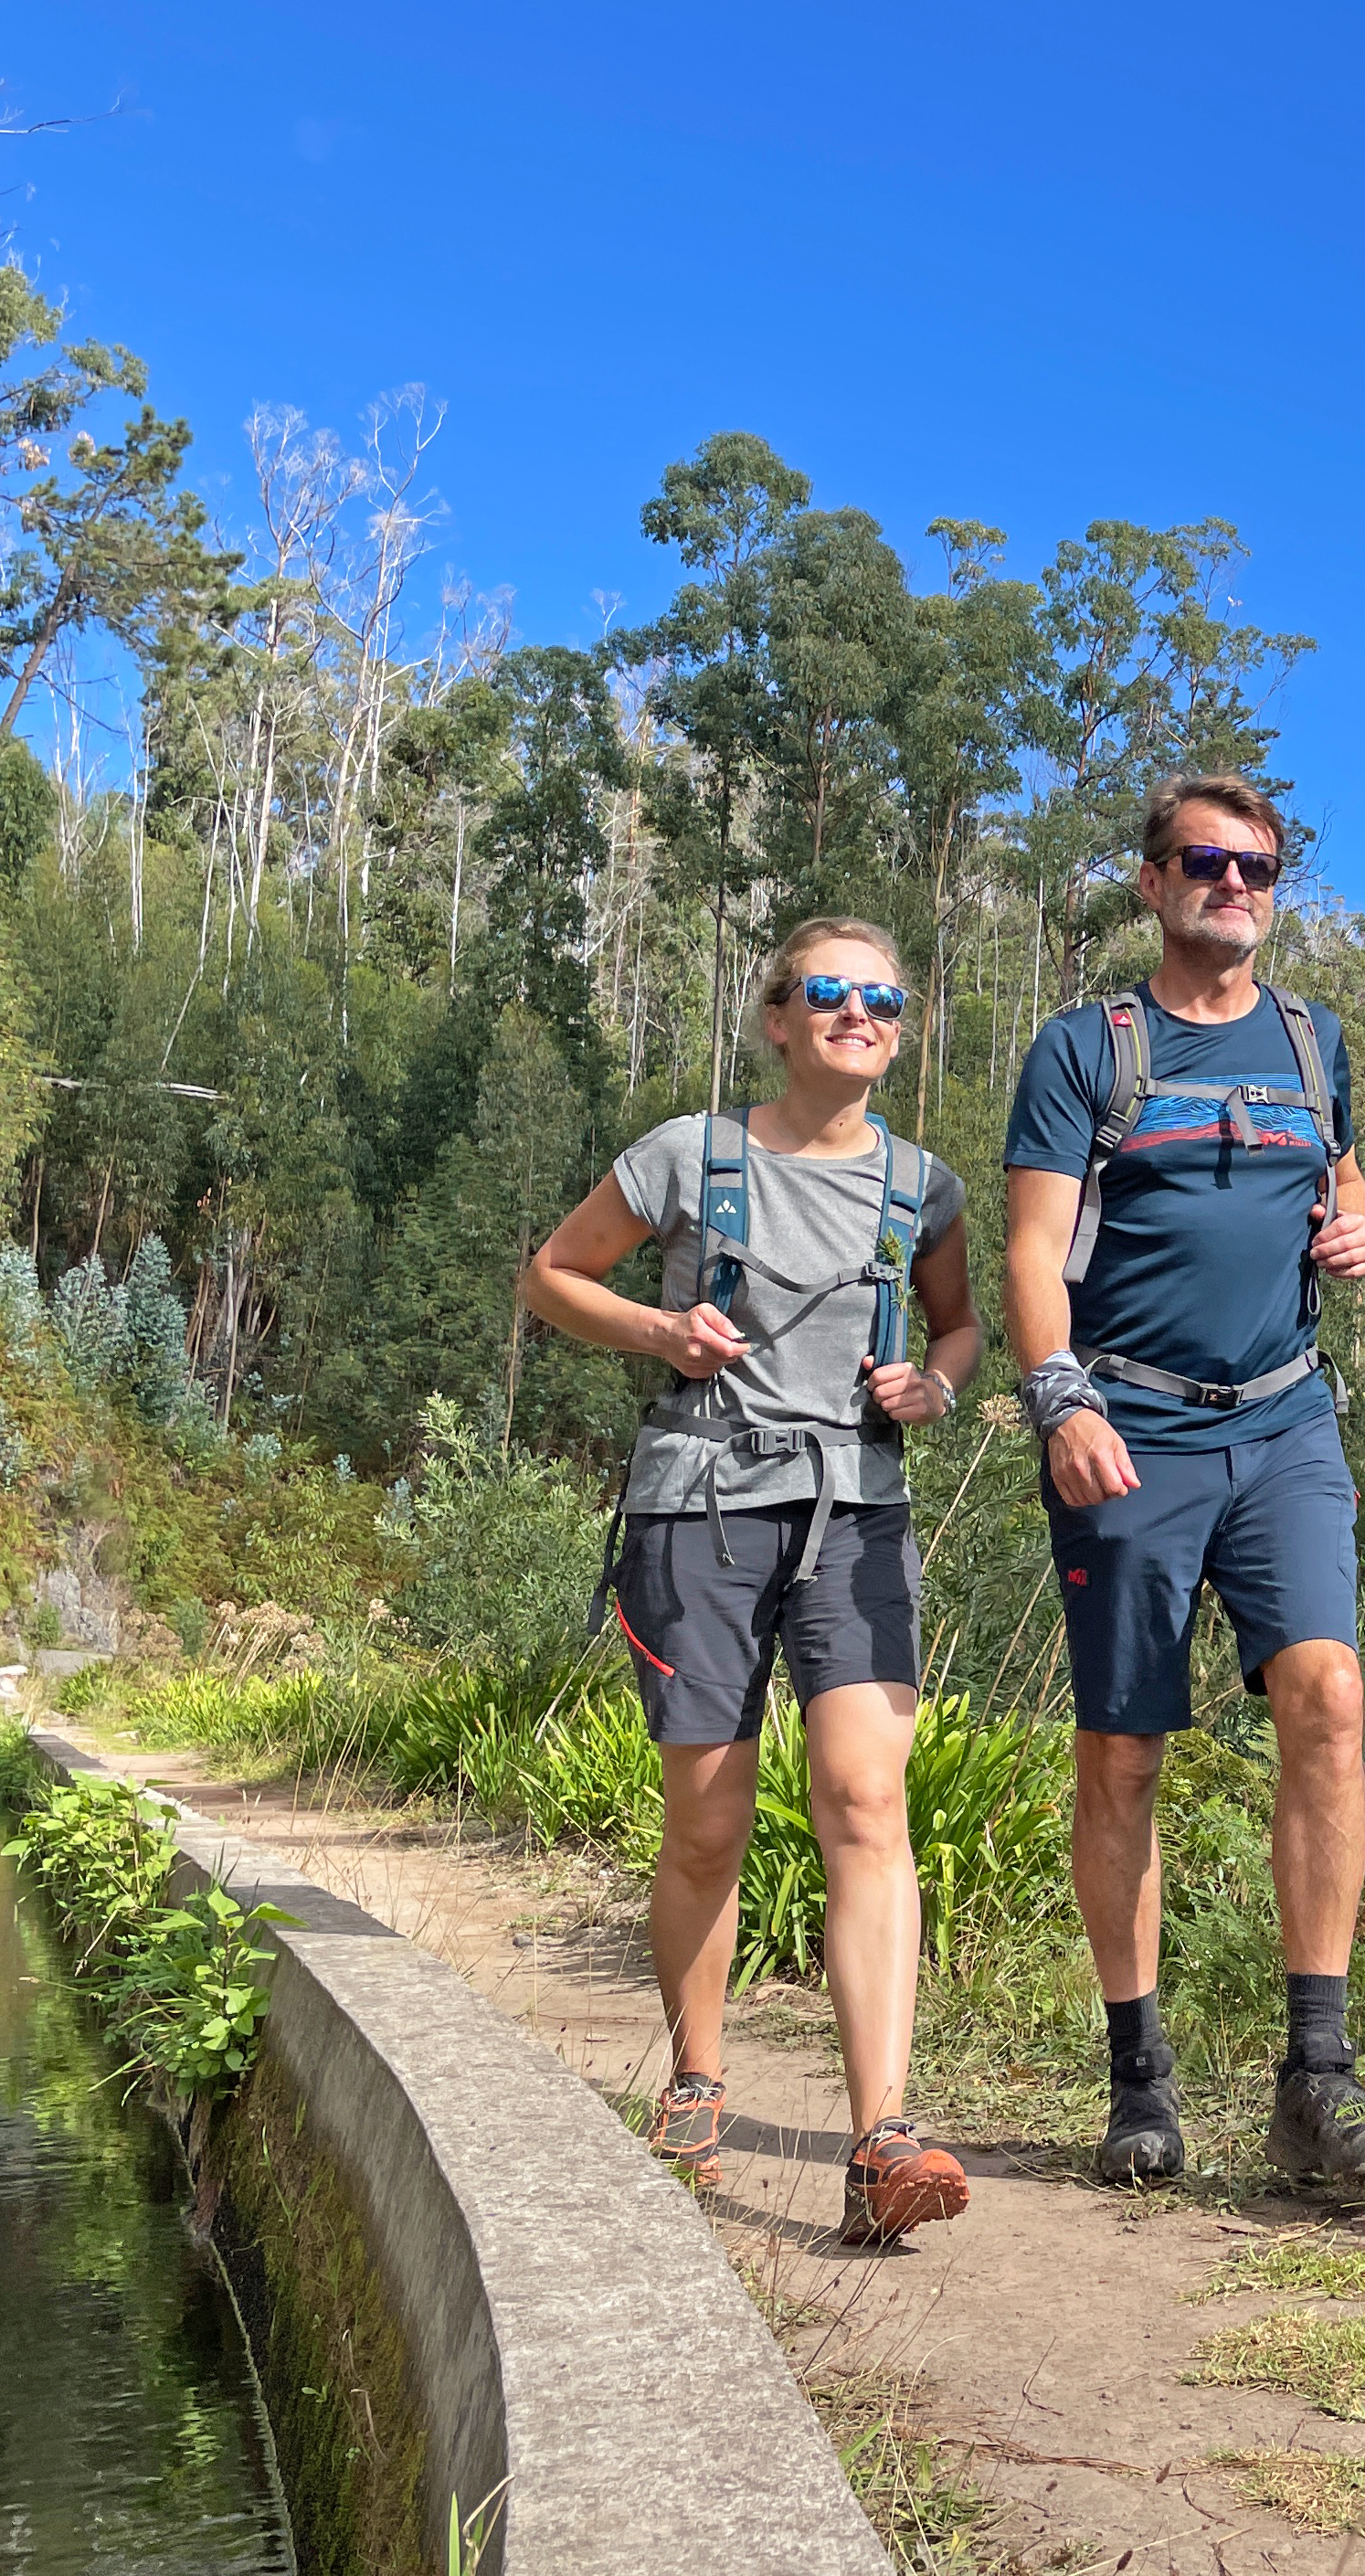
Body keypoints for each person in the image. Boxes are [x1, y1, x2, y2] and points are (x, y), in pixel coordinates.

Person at [519, 917, 983, 2245]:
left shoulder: (923, 1188)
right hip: (702, 1510)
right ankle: (696, 2084)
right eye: (828, 993)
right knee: (709, 1825)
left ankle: (881, 2137)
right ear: (777, 1018)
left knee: (864, 1799)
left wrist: (934, 1386)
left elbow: (957, 1330)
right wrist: (659, 1327)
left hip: (859, 1513)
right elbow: (550, 1275)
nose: (858, 1014)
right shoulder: (689, 1156)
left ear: (900, 1030)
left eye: (883, 1000)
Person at [1000, 774, 1365, 2187]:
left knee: (1331, 1696)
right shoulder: (1085, 1051)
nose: (1235, 886)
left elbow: (1338, 1182)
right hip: (1133, 1429)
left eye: (1259, 868)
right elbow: (1031, 1252)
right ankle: (1139, 2080)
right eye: (1206, 863)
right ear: (1153, 882)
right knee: (1123, 1751)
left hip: (1288, 1423)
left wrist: (1353, 1233)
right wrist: (1060, 1404)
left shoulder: (1313, 1040)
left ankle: (1318, 2080)